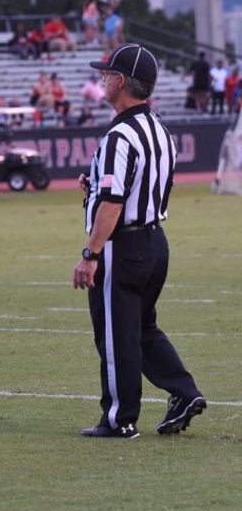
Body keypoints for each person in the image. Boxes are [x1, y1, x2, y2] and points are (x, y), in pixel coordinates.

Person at [73, 44, 206, 439]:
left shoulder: (120, 135)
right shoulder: (160, 129)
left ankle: (119, 418)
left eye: (107, 74)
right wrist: (93, 186)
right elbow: (140, 186)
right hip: (154, 241)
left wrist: (90, 253)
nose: (102, 79)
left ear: (120, 81)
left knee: (116, 334)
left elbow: (114, 203)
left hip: (122, 245)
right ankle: (184, 393)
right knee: (142, 328)